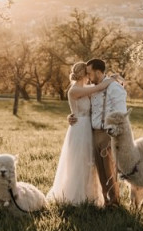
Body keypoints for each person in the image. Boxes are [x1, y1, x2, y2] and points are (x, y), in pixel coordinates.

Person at [46, 62, 118, 205]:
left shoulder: (86, 88)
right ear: (84, 74)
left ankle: (90, 196)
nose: (90, 76)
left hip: (88, 128)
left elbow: (98, 87)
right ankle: (75, 197)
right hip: (79, 129)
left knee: (90, 163)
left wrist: (112, 78)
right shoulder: (74, 90)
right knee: (78, 162)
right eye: (88, 73)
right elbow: (99, 87)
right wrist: (110, 80)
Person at [69, 58, 128, 208]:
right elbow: (81, 104)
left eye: (89, 73)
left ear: (98, 72)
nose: (88, 76)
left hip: (107, 133)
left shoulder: (114, 88)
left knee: (109, 169)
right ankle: (106, 201)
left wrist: (114, 133)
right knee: (99, 170)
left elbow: (121, 112)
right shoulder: (93, 87)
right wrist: (72, 116)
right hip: (92, 132)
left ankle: (114, 203)